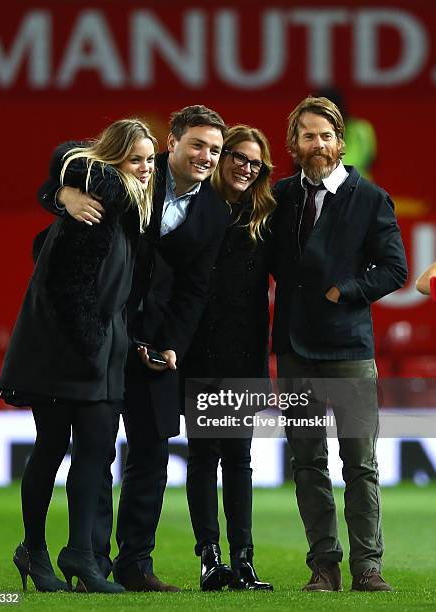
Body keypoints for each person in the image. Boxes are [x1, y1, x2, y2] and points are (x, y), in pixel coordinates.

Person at [37, 105, 231, 591]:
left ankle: (135, 566)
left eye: (215, 149)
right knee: (95, 450)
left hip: (155, 344)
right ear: (174, 143)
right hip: (102, 332)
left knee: (151, 456)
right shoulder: (135, 170)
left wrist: (171, 347)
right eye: (198, 146)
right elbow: (70, 156)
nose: (206, 156)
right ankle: (91, 560)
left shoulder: (215, 212)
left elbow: (194, 289)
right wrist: (61, 193)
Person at [0, 119, 157, 593]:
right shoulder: (94, 209)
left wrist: (122, 345)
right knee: (50, 449)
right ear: (113, 162)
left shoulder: (125, 212)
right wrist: (65, 192)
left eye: (151, 159)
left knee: (94, 455)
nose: (147, 168)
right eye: (136, 159)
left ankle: (81, 555)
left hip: (103, 354)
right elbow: (67, 292)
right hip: (63, 352)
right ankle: (34, 549)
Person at [271, 96, 407, 592]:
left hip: (349, 350)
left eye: (326, 135)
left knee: (361, 464)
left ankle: (367, 568)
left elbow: (395, 268)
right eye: (308, 135)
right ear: (294, 145)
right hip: (294, 349)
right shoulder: (280, 196)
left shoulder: (370, 197)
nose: (318, 144)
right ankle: (323, 566)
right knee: (307, 462)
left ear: (340, 142)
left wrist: (344, 290)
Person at [182, 125, 275, 591]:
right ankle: (209, 559)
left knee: (238, 457)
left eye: (254, 162)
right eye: (237, 156)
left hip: (245, 352)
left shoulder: (265, 216)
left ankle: (243, 560)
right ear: (221, 160)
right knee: (203, 455)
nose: (244, 166)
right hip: (198, 351)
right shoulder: (195, 209)